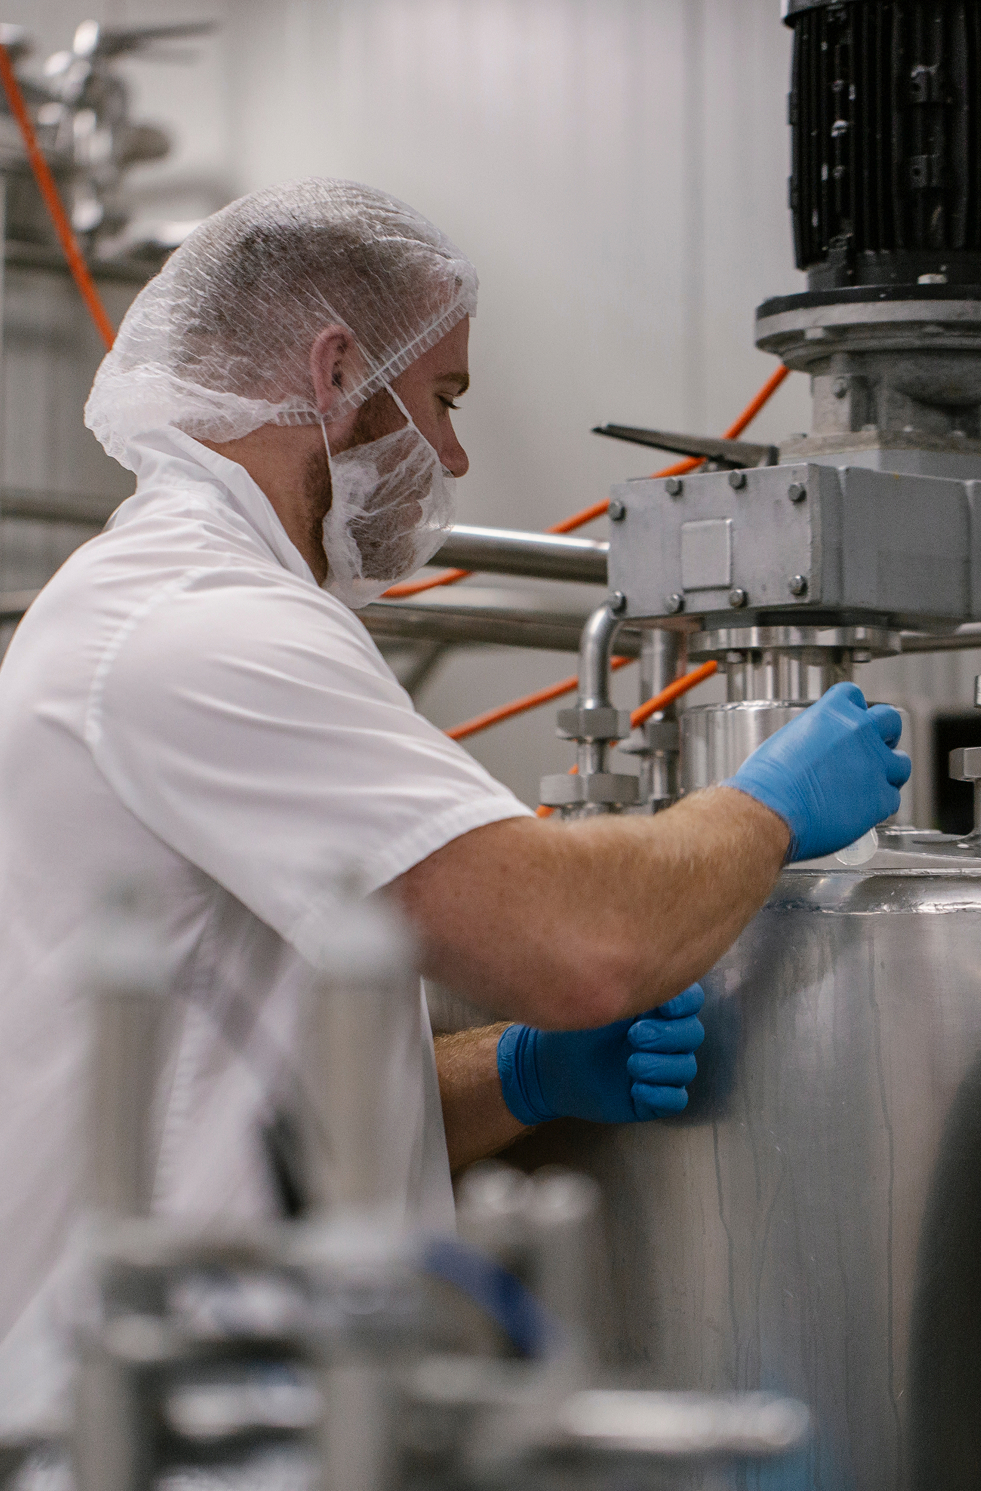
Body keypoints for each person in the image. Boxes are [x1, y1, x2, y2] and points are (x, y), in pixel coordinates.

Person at [0, 178, 909, 1427]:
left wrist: (521, 1076)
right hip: (174, 1427)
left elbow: (256, 1104)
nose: (458, 455)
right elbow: (582, 945)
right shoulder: (198, 626)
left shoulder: (185, 608)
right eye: (444, 401)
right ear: (335, 374)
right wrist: (764, 806)